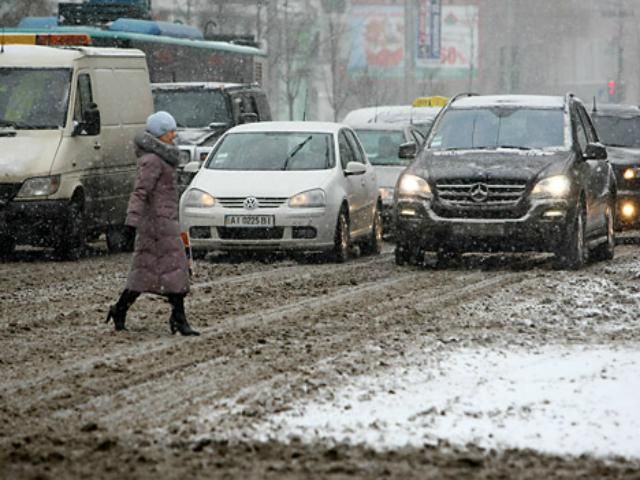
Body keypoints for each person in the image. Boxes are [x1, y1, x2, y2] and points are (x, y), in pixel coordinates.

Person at [105, 111, 199, 336]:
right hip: (156, 226)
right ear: (159, 135)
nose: (174, 135)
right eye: (169, 132)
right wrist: (131, 223)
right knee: (170, 271)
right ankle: (178, 319)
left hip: (164, 223)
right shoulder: (152, 160)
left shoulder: (162, 158)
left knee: (152, 273)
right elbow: (140, 192)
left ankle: (121, 309)